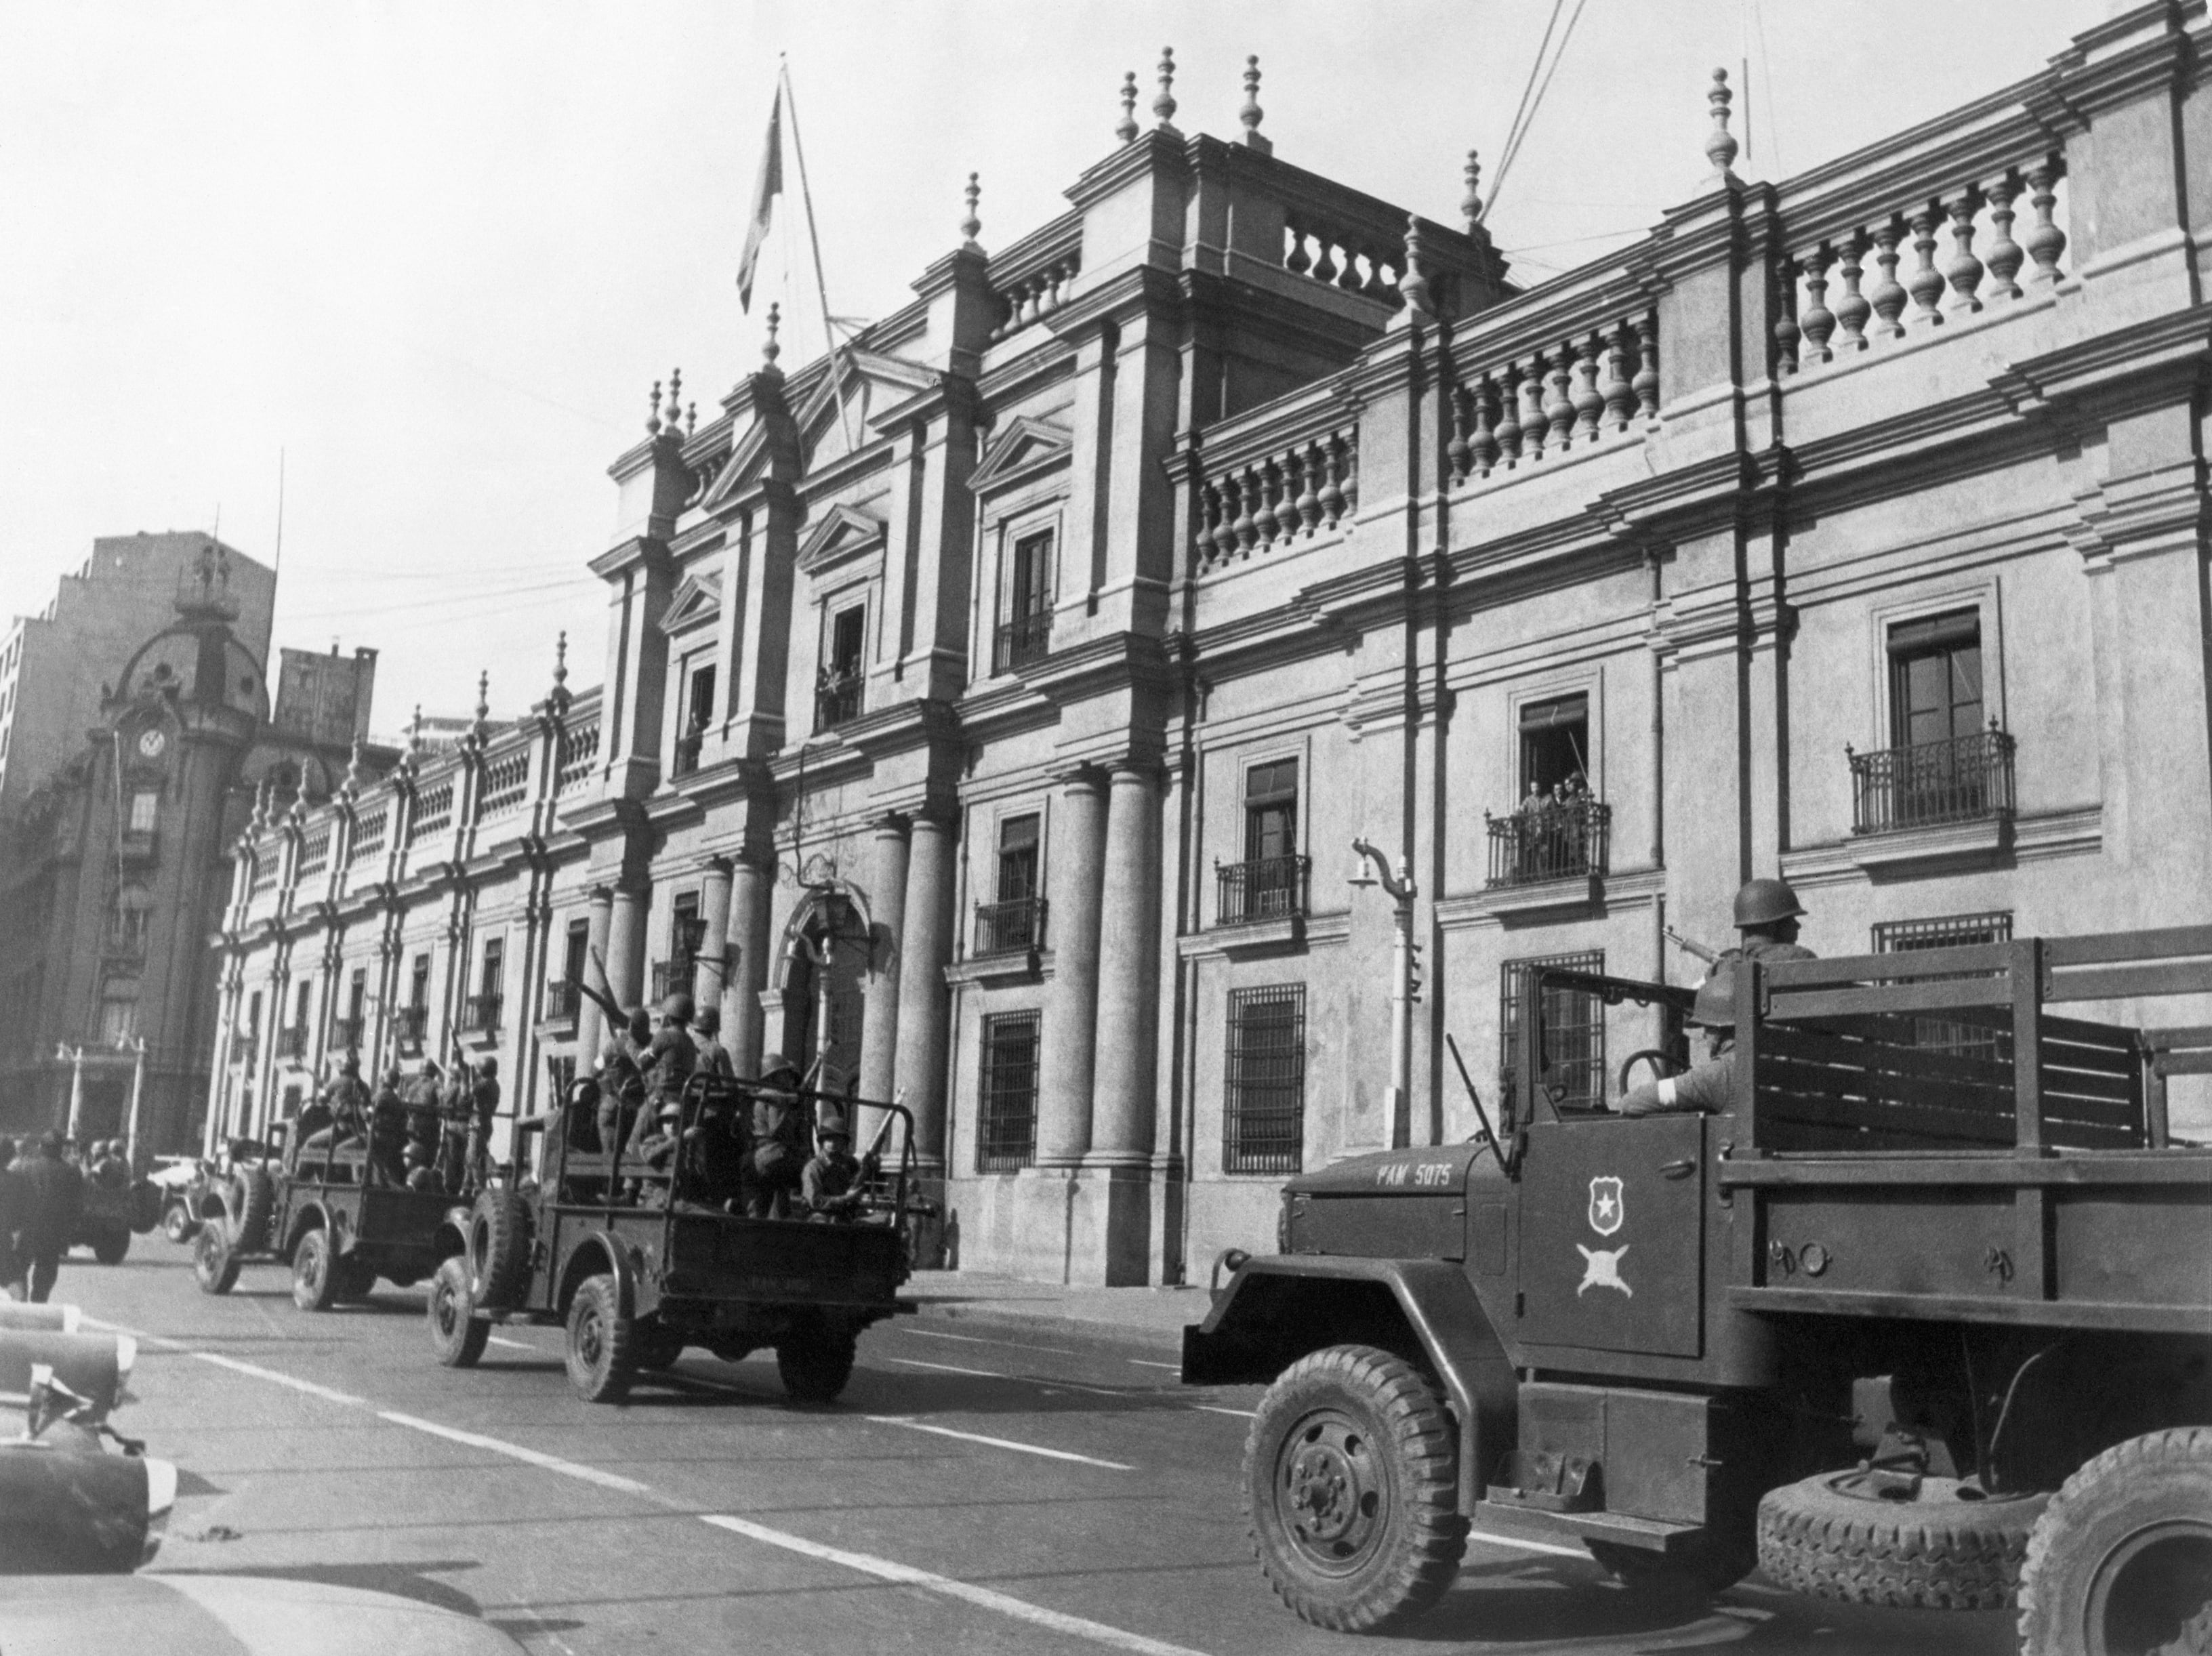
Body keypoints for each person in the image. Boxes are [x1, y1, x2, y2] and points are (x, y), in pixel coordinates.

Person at [1618, 964, 1742, 1117]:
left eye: (1707, 1028)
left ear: (1720, 1029)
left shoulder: (1717, 1075)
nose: (1704, 1036)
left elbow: (1630, 1103)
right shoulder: (1761, 1060)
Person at [15, 1132, 84, 1303]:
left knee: (18, 1268)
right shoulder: (72, 1172)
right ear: (60, 1149)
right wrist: (70, 1229)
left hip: (27, 1230)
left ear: (41, 1147)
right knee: (45, 1277)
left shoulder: (24, 1167)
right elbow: (77, 1206)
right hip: (54, 1233)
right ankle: (38, 1304)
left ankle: (21, 1302)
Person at [745, 1054, 809, 1219]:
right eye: (785, 1074)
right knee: (811, 1168)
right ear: (774, 1076)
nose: (789, 1079)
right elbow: (776, 1130)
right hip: (773, 1153)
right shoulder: (776, 1096)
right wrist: (790, 1107)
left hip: (759, 1154)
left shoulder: (762, 1094)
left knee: (767, 1202)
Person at [1730, 877, 1816, 965]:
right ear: (1772, 927)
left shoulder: (1724, 965)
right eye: (1791, 920)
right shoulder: (1800, 958)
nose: (1798, 925)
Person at [799, 1111, 866, 1221]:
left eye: (838, 1140)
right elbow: (816, 1202)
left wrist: (870, 1167)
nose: (833, 1144)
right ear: (822, 1142)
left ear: (844, 1143)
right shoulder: (813, 1168)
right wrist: (846, 1198)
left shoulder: (849, 1163)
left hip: (844, 1215)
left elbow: (858, 1183)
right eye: (829, 1140)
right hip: (820, 1216)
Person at [367, 1064, 409, 1186]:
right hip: (391, 1138)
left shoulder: (381, 1095)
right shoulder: (395, 1098)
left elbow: (369, 1114)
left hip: (378, 1136)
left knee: (375, 1165)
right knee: (386, 1168)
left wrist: (361, 1109)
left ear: (384, 1079)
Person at [466, 1056, 501, 1188]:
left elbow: (469, 1093)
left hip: (476, 1124)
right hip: (483, 1123)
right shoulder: (494, 1084)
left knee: (473, 1156)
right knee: (473, 1155)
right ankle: (470, 1184)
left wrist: (471, 1077)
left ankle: (477, 1186)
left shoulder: (485, 1083)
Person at [692, 1006, 736, 1081]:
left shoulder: (686, 1045)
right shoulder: (718, 1050)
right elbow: (729, 1084)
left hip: (687, 1091)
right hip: (710, 1091)